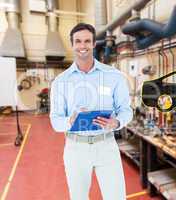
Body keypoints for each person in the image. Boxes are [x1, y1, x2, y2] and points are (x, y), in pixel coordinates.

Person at [49, 23, 132, 200]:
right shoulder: (60, 82)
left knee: (116, 197)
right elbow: (55, 120)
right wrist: (69, 121)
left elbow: (126, 110)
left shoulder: (113, 76)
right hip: (75, 148)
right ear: (72, 44)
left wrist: (116, 122)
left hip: (106, 145)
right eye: (78, 41)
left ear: (94, 44)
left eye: (87, 41)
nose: (82, 46)